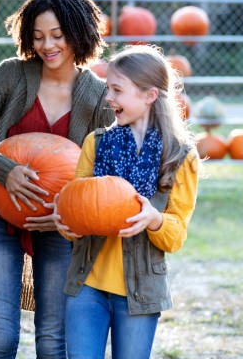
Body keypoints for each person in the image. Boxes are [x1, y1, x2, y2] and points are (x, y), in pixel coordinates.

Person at [0, 0, 114, 358]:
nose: (47, 45)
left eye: (57, 35)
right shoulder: (12, 76)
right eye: (37, 36)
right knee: (2, 338)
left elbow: (106, 172)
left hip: (59, 225)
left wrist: (68, 217)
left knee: (53, 342)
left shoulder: (99, 96)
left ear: (79, 34)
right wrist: (4, 170)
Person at [50, 44, 199, 358]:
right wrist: (66, 223)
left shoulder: (179, 156)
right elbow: (76, 211)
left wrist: (154, 220)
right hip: (86, 283)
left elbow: (176, 236)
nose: (109, 98)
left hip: (140, 290)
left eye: (117, 90)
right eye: (108, 89)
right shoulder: (96, 143)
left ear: (149, 96)